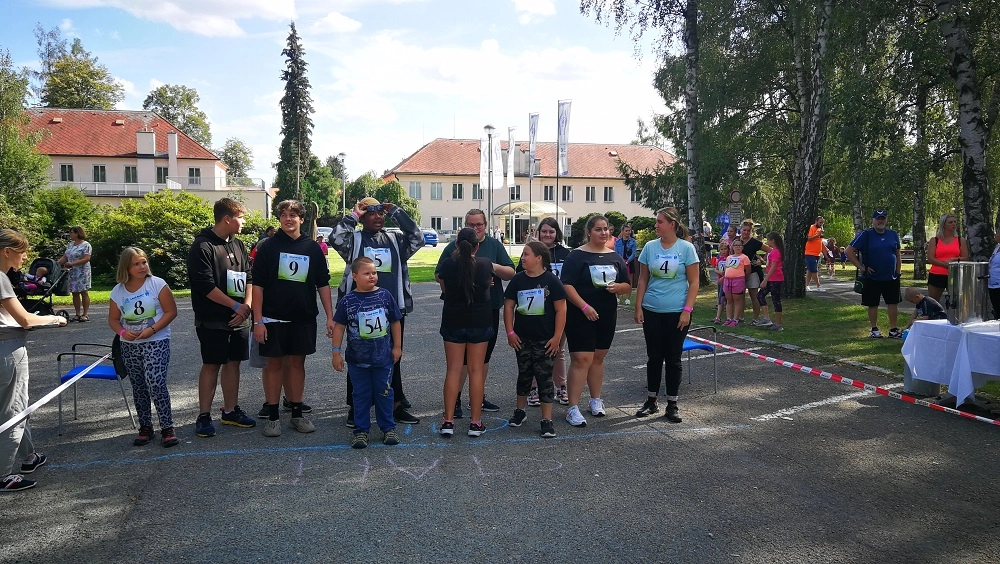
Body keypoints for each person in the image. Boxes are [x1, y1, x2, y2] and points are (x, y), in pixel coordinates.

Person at [331, 197, 423, 426]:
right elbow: (335, 238)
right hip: (359, 311)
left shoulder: (394, 239)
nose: (377, 217)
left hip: (391, 308)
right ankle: (356, 407)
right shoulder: (355, 240)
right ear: (363, 218)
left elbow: (418, 238)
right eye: (371, 213)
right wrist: (353, 215)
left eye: (380, 213)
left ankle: (395, 405)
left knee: (393, 357)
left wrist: (397, 212)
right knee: (358, 358)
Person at [251, 200, 334, 437]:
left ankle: (297, 413)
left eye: (293, 215)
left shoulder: (312, 248)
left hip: (302, 317)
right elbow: (258, 286)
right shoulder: (268, 246)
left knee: (297, 364)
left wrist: (330, 316)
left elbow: (323, 283)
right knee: (274, 365)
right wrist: (258, 320)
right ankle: (273, 416)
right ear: (279, 219)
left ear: (301, 219)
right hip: (272, 318)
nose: (288, 219)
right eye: (284, 215)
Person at [0, 229, 67, 492]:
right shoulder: (0, 278)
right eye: (22, 252)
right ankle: (4, 474)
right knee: (13, 409)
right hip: (7, 349)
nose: (26, 257)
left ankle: (29, 456)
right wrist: (55, 318)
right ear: (7, 251)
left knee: (14, 403)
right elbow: (25, 319)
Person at [435, 209, 515, 417]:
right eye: (471, 224)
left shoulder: (494, 245)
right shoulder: (453, 247)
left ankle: (476, 399)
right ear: (465, 226)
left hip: (488, 308)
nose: (475, 228)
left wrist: (488, 269)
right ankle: (457, 400)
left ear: (485, 225)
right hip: (462, 310)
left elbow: (510, 272)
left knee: (482, 360)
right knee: (461, 363)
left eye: (479, 224)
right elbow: (439, 275)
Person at [188, 198, 256, 438]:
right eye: (241, 217)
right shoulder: (202, 246)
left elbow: (249, 277)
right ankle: (204, 415)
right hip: (213, 319)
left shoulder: (238, 244)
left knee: (233, 363)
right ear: (227, 219)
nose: (244, 222)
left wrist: (246, 306)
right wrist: (236, 306)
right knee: (212, 364)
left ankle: (230, 411)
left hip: (240, 317)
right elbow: (205, 286)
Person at [559, 215, 631, 426]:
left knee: (598, 358)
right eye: (598, 229)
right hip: (580, 314)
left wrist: (618, 288)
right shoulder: (576, 256)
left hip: (606, 314)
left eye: (606, 229)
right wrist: (584, 306)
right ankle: (572, 407)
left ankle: (595, 400)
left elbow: (627, 285)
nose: (603, 232)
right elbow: (567, 285)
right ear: (589, 232)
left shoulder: (615, 257)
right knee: (582, 359)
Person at [633, 208, 700, 422]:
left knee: (673, 358)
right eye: (656, 222)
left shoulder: (686, 248)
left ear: (672, 224)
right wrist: (638, 306)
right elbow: (642, 279)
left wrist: (687, 310)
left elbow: (694, 282)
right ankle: (651, 401)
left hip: (677, 312)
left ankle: (672, 404)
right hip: (652, 310)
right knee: (654, 357)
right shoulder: (650, 247)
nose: (656, 225)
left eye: (660, 222)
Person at [109, 247, 179, 448]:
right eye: (136, 264)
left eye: (144, 262)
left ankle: (167, 427)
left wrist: (152, 329)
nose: (142, 267)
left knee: (155, 382)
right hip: (130, 345)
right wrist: (123, 332)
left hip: (157, 341)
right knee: (138, 385)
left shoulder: (157, 284)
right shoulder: (118, 291)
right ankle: (145, 427)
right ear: (126, 268)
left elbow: (171, 311)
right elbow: (113, 319)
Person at [331, 257, 403, 449]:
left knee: (384, 392)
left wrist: (397, 347)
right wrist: (336, 352)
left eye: (374, 273)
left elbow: (395, 322)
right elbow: (339, 327)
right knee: (361, 395)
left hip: (383, 358)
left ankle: (388, 428)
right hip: (357, 360)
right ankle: (361, 430)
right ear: (355, 276)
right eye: (367, 273)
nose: (372, 276)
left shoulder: (385, 296)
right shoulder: (348, 301)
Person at [504, 242, 567, 438]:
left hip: (545, 340)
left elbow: (561, 310)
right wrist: (510, 332)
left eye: (526, 254)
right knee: (524, 375)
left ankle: (546, 419)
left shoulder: (551, 280)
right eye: (522, 254)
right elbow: (508, 306)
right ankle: (520, 411)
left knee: (544, 377)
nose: (523, 258)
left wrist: (557, 337)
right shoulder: (518, 280)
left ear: (539, 258)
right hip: (522, 339)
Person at [437, 228, 495, 437]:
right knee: (476, 370)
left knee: (453, 369)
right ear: (476, 246)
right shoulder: (485, 264)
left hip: (453, 320)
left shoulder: (448, 264)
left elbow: (444, 288)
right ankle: (475, 422)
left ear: (456, 245)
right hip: (479, 321)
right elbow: (488, 284)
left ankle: (448, 421)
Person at [519, 217, 571, 406]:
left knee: (558, 349)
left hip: (558, 309)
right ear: (538, 232)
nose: (548, 235)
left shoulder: (565, 254)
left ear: (557, 233)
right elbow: (519, 273)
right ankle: (534, 389)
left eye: (551, 231)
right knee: (534, 351)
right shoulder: (530, 252)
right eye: (544, 231)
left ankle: (561, 387)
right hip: (534, 310)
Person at [846, 209, 903, 339]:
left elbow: (897, 253)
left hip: (891, 276)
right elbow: (848, 251)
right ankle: (874, 329)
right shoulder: (866, 235)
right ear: (873, 220)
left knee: (893, 302)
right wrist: (861, 266)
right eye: (878, 219)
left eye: (883, 218)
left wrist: (898, 271)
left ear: (886, 220)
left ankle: (893, 329)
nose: (880, 221)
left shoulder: (893, 234)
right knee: (873, 303)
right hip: (872, 277)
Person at [926, 213, 969, 302]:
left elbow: (965, 257)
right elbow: (930, 258)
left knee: (958, 302)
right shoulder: (934, 240)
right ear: (943, 225)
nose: (953, 224)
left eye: (955, 222)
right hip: (937, 274)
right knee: (933, 302)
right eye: (950, 222)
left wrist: (954, 260)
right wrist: (945, 264)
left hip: (955, 274)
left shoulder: (960, 240)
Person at [738, 219, 771, 323]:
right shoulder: (737, 241)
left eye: (748, 230)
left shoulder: (754, 242)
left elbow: (770, 250)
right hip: (739, 273)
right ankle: (740, 317)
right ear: (741, 229)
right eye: (744, 230)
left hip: (752, 271)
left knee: (754, 296)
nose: (746, 232)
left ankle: (755, 318)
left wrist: (762, 261)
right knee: (740, 296)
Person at [57, 225, 92, 322]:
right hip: (72, 271)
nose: (70, 234)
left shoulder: (86, 245)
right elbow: (65, 257)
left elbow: (86, 258)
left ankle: (85, 314)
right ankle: (77, 314)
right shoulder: (71, 245)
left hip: (82, 271)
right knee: (74, 293)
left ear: (77, 233)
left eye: (71, 232)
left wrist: (72, 263)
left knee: (84, 292)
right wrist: (56, 264)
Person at [756, 232, 785, 331]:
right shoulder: (773, 251)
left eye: (768, 240)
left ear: (773, 241)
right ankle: (766, 318)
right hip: (771, 278)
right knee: (760, 295)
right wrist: (762, 261)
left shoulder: (776, 251)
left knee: (776, 300)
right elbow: (770, 264)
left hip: (775, 279)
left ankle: (778, 324)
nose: (767, 242)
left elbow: (774, 267)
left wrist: (765, 280)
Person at [722, 239, 750, 327]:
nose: (738, 247)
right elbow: (727, 268)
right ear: (732, 247)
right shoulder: (729, 257)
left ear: (742, 247)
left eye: (740, 245)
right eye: (736, 245)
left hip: (738, 280)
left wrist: (742, 277)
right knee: (729, 300)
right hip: (727, 280)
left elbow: (748, 270)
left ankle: (735, 319)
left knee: (737, 300)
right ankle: (728, 318)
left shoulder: (744, 257)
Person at [614, 224, 638, 306]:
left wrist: (627, 261)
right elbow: (616, 252)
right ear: (622, 231)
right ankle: (617, 297)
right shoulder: (618, 241)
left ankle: (628, 298)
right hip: (619, 262)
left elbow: (634, 253)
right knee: (618, 279)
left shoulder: (632, 241)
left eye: (629, 231)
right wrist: (620, 261)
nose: (628, 232)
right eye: (626, 231)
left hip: (629, 262)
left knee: (629, 280)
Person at [804, 216, 825, 290]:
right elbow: (808, 238)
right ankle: (818, 286)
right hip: (810, 253)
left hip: (817, 253)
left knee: (810, 270)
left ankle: (806, 286)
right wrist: (817, 235)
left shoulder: (820, 229)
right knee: (814, 270)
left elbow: (820, 241)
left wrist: (825, 250)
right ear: (816, 221)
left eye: (822, 223)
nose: (821, 224)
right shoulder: (812, 227)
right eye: (820, 222)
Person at [712, 240, 730, 324]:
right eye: (721, 249)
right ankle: (718, 317)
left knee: (725, 299)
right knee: (720, 298)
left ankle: (727, 317)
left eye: (725, 249)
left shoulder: (730, 258)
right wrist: (719, 272)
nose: (723, 251)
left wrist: (724, 276)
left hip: (727, 281)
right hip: (720, 281)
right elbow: (716, 269)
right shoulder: (720, 259)